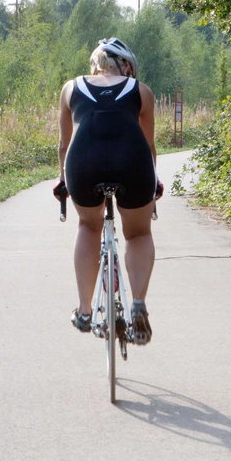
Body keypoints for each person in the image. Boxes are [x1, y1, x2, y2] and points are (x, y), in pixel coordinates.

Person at [53, 38, 162, 345]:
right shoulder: (141, 91)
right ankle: (138, 303)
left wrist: (63, 179)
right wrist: (152, 184)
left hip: (83, 162)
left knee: (89, 226)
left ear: (95, 65)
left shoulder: (70, 88)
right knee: (138, 234)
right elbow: (149, 145)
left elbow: (63, 144)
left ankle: (85, 311)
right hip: (132, 161)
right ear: (126, 66)